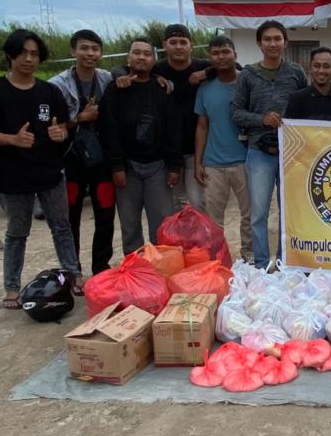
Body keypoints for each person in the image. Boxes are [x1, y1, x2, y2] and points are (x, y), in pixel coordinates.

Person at [0, 29, 83, 309]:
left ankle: (73, 275)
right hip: (11, 175)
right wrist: (13, 139)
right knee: (17, 231)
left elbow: (62, 127)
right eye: (22, 53)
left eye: (34, 54)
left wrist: (60, 134)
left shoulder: (49, 91)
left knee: (62, 226)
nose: (29, 59)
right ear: (10, 55)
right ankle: (12, 287)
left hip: (49, 171)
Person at [231, 21, 308, 269]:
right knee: (258, 213)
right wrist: (261, 119)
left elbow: (307, 105)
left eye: (277, 39)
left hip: (292, 153)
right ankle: (262, 265)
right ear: (259, 43)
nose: (273, 43)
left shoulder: (296, 73)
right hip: (259, 153)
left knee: (290, 211)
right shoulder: (248, 75)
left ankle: (285, 262)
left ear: (286, 42)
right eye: (267, 39)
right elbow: (235, 112)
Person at [113, 23, 212, 210]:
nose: (178, 46)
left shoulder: (203, 66)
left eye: (183, 42)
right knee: (175, 207)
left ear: (191, 45)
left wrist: (205, 73)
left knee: (198, 203)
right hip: (167, 152)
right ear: (164, 45)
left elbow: (231, 65)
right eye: (173, 42)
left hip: (197, 150)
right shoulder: (156, 69)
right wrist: (120, 76)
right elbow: (123, 69)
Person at [101, 39, 183, 254]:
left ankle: (162, 266)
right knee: (129, 225)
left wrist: (174, 166)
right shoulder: (115, 89)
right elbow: (109, 129)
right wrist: (117, 166)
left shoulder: (162, 88)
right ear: (128, 58)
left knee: (162, 224)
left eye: (147, 54)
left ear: (154, 60)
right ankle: (136, 268)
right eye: (136, 53)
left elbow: (173, 129)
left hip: (158, 166)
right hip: (127, 167)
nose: (141, 57)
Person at [49, 29, 115, 275]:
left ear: (101, 53)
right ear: (73, 51)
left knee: (106, 214)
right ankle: (72, 270)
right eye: (84, 48)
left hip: (101, 156)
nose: (90, 53)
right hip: (71, 157)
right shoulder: (57, 85)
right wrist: (79, 118)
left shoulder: (107, 79)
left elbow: (124, 74)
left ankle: (101, 268)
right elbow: (52, 126)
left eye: (95, 49)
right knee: (70, 217)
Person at [194, 35, 253, 260]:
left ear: (235, 55)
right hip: (213, 163)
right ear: (210, 58)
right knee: (213, 218)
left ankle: (249, 256)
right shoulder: (205, 88)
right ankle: (218, 260)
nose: (221, 57)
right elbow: (202, 126)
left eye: (225, 52)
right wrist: (198, 162)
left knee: (250, 214)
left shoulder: (248, 83)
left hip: (246, 160)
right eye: (215, 53)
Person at [285, 46, 331, 120]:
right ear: (310, 68)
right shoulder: (296, 99)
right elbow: (290, 126)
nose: (321, 71)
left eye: (326, 66)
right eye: (316, 66)